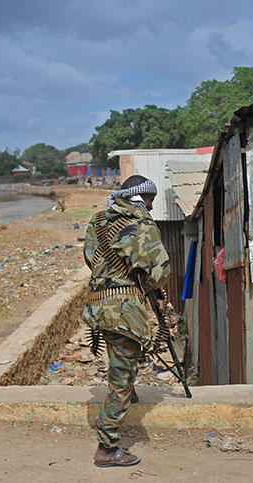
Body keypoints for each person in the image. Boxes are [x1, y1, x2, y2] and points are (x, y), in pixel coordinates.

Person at [82, 175, 171, 467]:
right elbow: (159, 272)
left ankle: (128, 393)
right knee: (121, 378)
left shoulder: (97, 221)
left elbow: (91, 259)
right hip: (124, 309)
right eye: (150, 200)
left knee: (119, 362)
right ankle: (107, 449)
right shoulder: (141, 224)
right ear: (139, 198)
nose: (151, 205)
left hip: (98, 305)